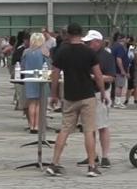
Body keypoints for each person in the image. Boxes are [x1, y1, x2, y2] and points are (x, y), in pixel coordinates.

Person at [46, 23, 109, 178]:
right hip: (87, 94)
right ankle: (92, 166)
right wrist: (102, 92)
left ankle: (54, 163)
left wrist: (53, 94)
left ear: (68, 34)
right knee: (89, 130)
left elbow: (55, 74)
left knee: (65, 129)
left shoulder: (62, 51)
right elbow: (98, 75)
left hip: (70, 95)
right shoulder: (88, 52)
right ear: (81, 34)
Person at [80, 30, 116, 168]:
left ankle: (105, 156)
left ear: (98, 42)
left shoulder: (106, 56)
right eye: (86, 42)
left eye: (90, 42)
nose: (87, 44)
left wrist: (95, 77)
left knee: (102, 125)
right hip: (86, 93)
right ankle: (92, 155)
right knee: (89, 127)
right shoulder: (86, 55)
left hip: (100, 92)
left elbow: (111, 77)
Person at [21, 32, 47, 134]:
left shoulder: (26, 52)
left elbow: (22, 66)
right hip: (41, 78)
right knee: (40, 103)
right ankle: (37, 125)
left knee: (32, 103)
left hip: (29, 78)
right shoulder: (44, 51)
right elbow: (48, 65)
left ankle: (32, 125)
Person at [111, 34, 130, 109]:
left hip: (114, 69)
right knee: (119, 86)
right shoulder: (120, 47)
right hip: (119, 70)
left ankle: (115, 101)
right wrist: (122, 70)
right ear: (123, 39)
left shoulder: (114, 46)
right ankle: (117, 102)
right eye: (126, 38)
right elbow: (119, 59)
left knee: (116, 86)